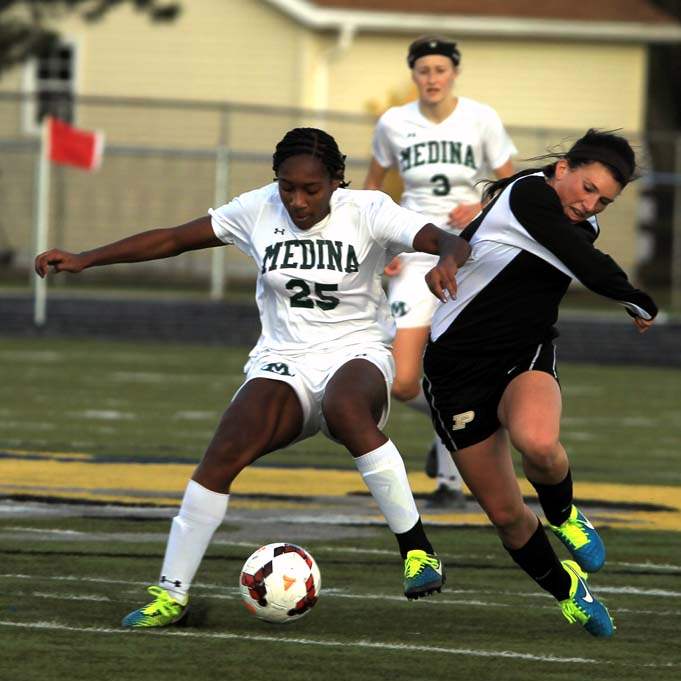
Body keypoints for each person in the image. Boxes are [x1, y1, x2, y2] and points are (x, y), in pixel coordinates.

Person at [35, 127, 471, 628]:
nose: (298, 200)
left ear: (336, 181)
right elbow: (175, 238)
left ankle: (417, 550)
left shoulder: (368, 209)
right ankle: (170, 595)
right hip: (282, 359)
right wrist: (88, 258)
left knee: (346, 408)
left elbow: (449, 240)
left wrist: (446, 261)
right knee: (222, 453)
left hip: (357, 352)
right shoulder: (258, 208)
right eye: (288, 187)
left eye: (311, 189)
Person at [421, 129, 657, 637]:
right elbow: (586, 266)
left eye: (604, 201)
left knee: (539, 443)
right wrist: (636, 297)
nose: (590, 204)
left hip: (523, 353)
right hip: (456, 372)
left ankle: (566, 514)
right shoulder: (529, 194)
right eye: (588, 187)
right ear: (564, 168)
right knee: (507, 516)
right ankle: (569, 592)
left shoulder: (572, 219)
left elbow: (575, 254)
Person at [364, 35, 516, 508]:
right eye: (423, 70)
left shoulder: (481, 118)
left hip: (468, 253)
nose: (432, 78)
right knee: (404, 381)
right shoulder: (393, 122)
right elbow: (371, 189)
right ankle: (448, 423)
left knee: (459, 366)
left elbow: (510, 185)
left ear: (454, 73)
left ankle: (450, 480)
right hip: (415, 252)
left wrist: (478, 202)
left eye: (440, 70)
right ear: (414, 75)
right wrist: (381, 244)